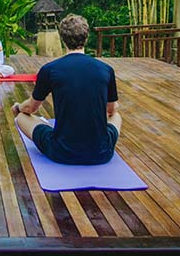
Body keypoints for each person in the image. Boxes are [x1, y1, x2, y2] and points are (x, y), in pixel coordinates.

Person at [11, 14, 122, 165]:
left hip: (62, 152)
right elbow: (111, 110)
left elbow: (31, 107)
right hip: (101, 153)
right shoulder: (106, 69)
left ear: (62, 39)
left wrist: (18, 107)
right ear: (86, 38)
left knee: (22, 118)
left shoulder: (50, 70)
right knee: (117, 116)